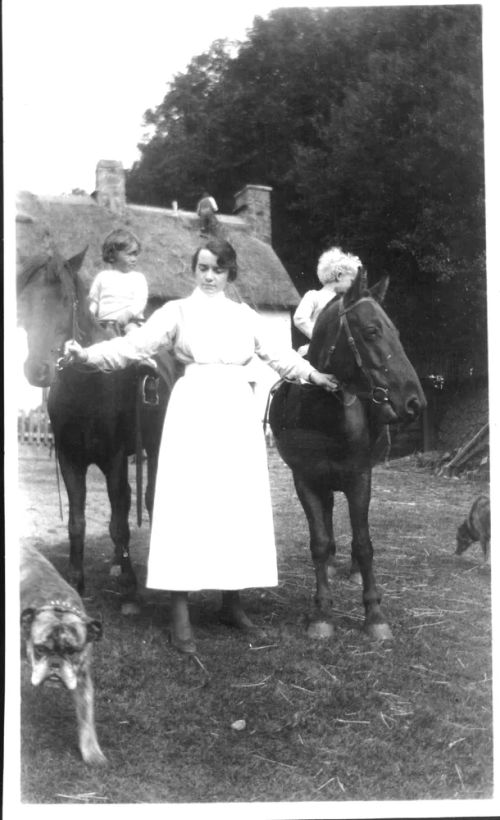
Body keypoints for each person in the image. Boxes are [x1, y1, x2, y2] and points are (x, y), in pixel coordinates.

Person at [64, 238, 338, 655]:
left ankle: (232, 603)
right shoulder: (177, 312)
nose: (209, 276)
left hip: (235, 415)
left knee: (234, 504)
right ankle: (180, 615)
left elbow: (280, 356)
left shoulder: (245, 316)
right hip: (192, 409)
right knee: (186, 506)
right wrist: (87, 355)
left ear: (230, 273)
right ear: (193, 270)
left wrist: (313, 375)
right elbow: (132, 347)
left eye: (218, 269)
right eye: (203, 268)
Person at [89, 228, 158, 402]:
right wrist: (90, 314)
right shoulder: (102, 277)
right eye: (130, 254)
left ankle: (147, 367)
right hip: (104, 323)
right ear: (113, 255)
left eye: (136, 254)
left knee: (135, 337)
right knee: (92, 347)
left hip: (129, 322)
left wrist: (128, 314)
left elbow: (140, 301)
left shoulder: (138, 278)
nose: (134, 259)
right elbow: (94, 301)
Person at [293, 246, 362, 355]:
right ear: (339, 276)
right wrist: (319, 340)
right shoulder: (314, 296)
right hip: (318, 349)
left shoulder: (346, 301)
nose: (353, 286)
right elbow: (300, 319)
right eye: (352, 281)